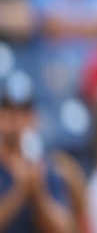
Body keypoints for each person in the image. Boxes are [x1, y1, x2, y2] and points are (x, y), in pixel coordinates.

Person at [0, 71, 76, 233]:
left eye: (22, 112)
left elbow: (65, 229)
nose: (15, 120)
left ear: (32, 118)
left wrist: (39, 195)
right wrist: (19, 193)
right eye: (8, 111)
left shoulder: (43, 168)